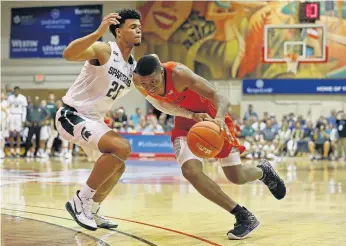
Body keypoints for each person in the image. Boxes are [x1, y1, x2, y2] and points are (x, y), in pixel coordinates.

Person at [133, 54, 286, 240]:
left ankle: (263, 171)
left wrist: (219, 118)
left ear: (161, 72)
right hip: (185, 123)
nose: (150, 87)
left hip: (213, 121)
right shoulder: (138, 80)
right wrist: (190, 116)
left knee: (236, 176)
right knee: (190, 171)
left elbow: (218, 95)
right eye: (145, 84)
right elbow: (163, 106)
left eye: (154, 82)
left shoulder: (179, 74)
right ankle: (242, 215)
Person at [56, 9, 141, 231]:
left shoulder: (132, 66)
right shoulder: (104, 50)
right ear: (119, 32)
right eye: (133, 27)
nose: (139, 29)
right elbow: (68, 54)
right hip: (72, 114)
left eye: (139, 26)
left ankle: (92, 209)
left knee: (118, 166)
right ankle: (79, 200)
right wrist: (98, 31)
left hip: (94, 119)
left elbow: (154, 95)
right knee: (121, 147)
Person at [7, 86, 28, 157]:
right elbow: (8, 107)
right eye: (15, 91)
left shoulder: (23, 98)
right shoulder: (10, 98)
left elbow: (24, 110)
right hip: (11, 115)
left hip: (19, 115)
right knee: (11, 133)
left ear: (19, 91)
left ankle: (18, 150)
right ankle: (12, 150)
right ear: (14, 91)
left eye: (17, 91)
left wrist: (23, 120)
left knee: (18, 133)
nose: (16, 92)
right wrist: (8, 118)